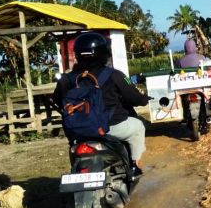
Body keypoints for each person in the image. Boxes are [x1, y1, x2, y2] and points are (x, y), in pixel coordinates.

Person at [53, 32, 149, 175]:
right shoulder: (114, 74)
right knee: (138, 127)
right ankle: (135, 165)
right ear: (104, 53)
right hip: (110, 127)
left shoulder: (66, 79)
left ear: (78, 54)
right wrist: (144, 99)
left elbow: (58, 100)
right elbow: (134, 99)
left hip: (77, 131)